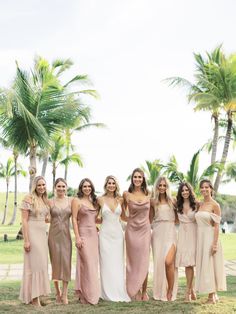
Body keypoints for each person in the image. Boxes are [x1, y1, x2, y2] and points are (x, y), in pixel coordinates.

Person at [19, 176, 51, 306]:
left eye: (43, 185)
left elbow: (46, 218)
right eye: (39, 185)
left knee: (42, 264)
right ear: (34, 186)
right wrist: (26, 240)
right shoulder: (29, 198)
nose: (42, 187)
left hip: (43, 235)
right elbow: (24, 221)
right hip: (32, 234)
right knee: (35, 265)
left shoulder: (44, 200)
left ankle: (38, 294)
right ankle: (34, 298)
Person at [98, 175, 130, 302]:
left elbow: (124, 217)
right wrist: (90, 226)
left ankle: (118, 291)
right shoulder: (100, 199)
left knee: (117, 263)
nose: (111, 185)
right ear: (106, 185)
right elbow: (95, 216)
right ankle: (106, 292)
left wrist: (138, 221)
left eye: (113, 183)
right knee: (106, 263)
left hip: (117, 235)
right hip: (105, 234)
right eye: (109, 183)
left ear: (116, 185)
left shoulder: (120, 200)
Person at [195, 179, 227, 304]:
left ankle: (211, 296)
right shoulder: (200, 204)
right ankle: (214, 295)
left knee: (210, 266)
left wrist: (214, 244)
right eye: (202, 187)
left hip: (210, 237)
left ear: (211, 189)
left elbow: (217, 226)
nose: (204, 189)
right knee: (207, 266)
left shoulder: (215, 205)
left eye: (206, 187)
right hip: (201, 238)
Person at [123, 168, 151, 301]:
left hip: (145, 231)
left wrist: (145, 224)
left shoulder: (149, 194)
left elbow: (151, 215)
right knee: (132, 261)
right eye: (135, 177)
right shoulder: (126, 194)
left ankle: (144, 291)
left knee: (144, 261)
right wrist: (131, 221)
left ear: (143, 179)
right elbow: (122, 214)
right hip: (131, 231)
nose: (137, 179)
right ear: (132, 179)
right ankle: (133, 290)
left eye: (140, 177)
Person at [71, 178, 100, 305]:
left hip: (94, 235)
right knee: (85, 263)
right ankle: (83, 294)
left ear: (92, 188)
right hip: (83, 234)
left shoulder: (94, 202)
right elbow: (74, 219)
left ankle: (92, 292)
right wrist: (77, 237)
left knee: (92, 265)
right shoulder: (76, 201)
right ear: (81, 188)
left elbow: (95, 219)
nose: (87, 188)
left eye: (89, 186)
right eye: (84, 186)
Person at [150, 176, 178, 301]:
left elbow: (178, 218)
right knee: (159, 263)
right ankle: (160, 291)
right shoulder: (152, 202)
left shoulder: (174, 201)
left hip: (171, 233)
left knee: (168, 262)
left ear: (167, 187)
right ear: (156, 187)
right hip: (157, 234)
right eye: (159, 185)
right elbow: (149, 220)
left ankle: (170, 290)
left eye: (164, 185)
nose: (162, 187)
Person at [48, 178, 72, 305]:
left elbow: (79, 216)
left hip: (66, 236)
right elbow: (44, 217)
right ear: (55, 188)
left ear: (66, 187)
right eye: (59, 186)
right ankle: (57, 292)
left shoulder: (71, 200)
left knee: (66, 263)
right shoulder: (50, 201)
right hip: (53, 236)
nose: (61, 189)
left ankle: (65, 294)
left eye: (63, 186)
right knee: (55, 264)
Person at [175, 182, 197, 301]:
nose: (185, 192)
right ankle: (191, 290)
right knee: (187, 263)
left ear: (190, 191)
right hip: (183, 235)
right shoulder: (177, 205)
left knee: (191, 263)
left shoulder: (196, 204)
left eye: (186, 190)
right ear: (180, 192)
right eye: (182, 190)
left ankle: (188, 291)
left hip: (194, 234)